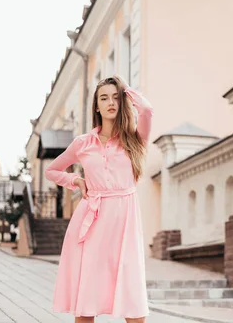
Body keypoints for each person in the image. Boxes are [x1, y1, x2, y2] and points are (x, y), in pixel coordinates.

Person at [45, 75, 152, 323]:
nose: (110, 102)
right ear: (96, 105)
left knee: (133, 299)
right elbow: (52, 170)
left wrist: (126, 91)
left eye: (115, 97)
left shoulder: (134, 140)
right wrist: (76, 181)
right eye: (104, 98)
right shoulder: (83, 143)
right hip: (91, 223)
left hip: (125, 222)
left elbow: (146, 110)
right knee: (87, 299)